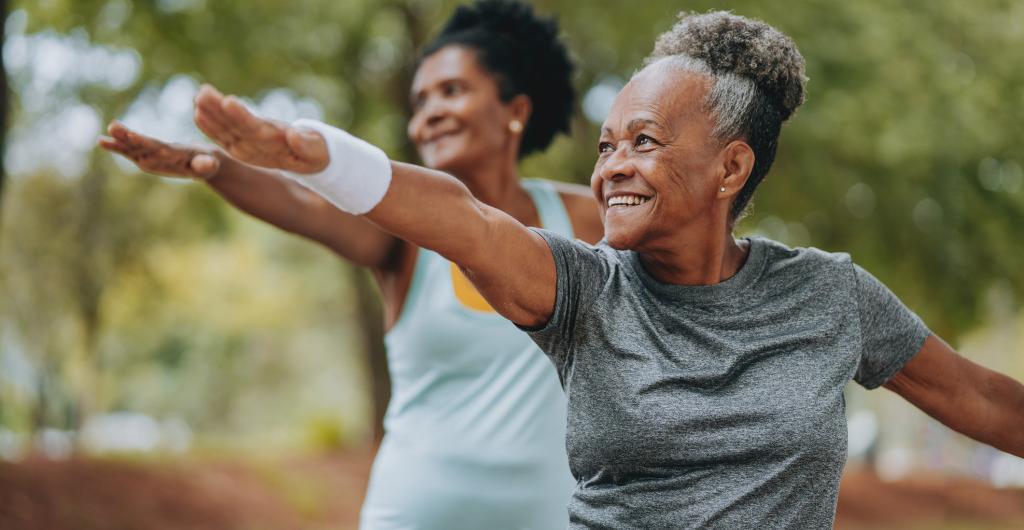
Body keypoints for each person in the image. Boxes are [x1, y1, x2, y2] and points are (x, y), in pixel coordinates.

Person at [184, 9, 1024, 529]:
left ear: (731, 170)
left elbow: (981, 399)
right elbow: (463, 220)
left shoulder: (829, 295)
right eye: (607, 144)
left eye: (645, 143)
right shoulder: (581, 289)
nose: (611, 167)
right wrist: (320, 158)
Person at [99, 1, 602, 528]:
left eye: (451, 90)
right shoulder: (405, 240)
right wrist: (217, 167)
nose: (427, 114)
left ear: (515, 110)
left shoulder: (584, 221)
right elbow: (302, 205)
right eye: (419, 100)